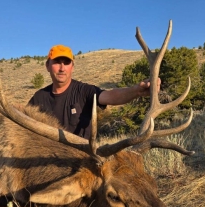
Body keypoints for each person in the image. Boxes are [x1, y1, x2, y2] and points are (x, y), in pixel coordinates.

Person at [28, 45, 160, 139]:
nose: (62, 68)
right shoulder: (39, 98)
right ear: (47, 66)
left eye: (66, 63)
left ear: (72, 67)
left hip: (82, 159)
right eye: (57, 62)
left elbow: (109, 96)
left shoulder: (83, 91)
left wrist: (136, 91)